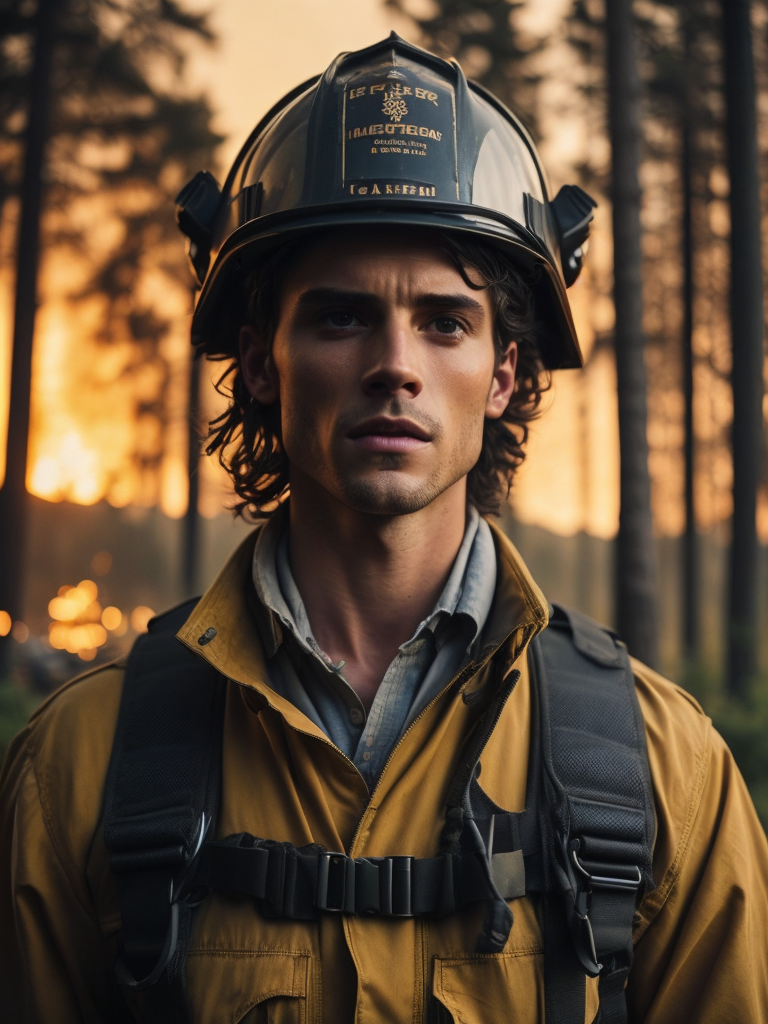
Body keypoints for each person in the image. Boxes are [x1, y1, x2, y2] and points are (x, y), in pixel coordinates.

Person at [1, 33, 767, 1024]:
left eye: (444, 321)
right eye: (340, 316)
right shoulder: (80, 763)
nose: (394, 364)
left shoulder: (664, 767)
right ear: (263, 359)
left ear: (502, 374)